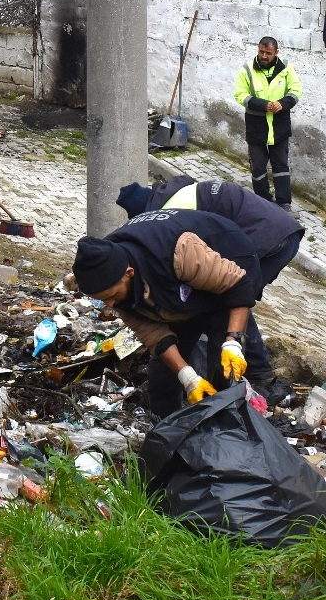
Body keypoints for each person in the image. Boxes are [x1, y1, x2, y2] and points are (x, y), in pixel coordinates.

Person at [116, 176, 304, 404]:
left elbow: (229, 286)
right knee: (229, 299)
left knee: (232, 300)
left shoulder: (170, 213)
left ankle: (252, 380)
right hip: (277, 229)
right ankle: (242, 372)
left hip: (266, 237)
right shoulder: (176, 194)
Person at [70, 210, 262, 418]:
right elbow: (153, 334)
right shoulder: (106, 268)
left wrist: (232, 340)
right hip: (177, 286)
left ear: (129, 273)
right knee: (163, 376)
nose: (108, 304)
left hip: (229, 260)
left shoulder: (178, 251)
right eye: (102, 299)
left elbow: (238, 286)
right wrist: (188, 377)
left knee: (222, 370)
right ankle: (166, 431)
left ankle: (226, 433)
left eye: (111, 296)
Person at [233, 36, 301, 208]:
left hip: (280, 127)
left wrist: (282, 104)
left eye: (268, 53)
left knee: (281, 167)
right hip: (257, 128)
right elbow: (240, 95)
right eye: (261, 52)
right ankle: (263, 202)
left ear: (276, 53)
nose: (264, 56)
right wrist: (264, 105)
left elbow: (296, 90)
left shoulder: (286, 67)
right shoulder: (247, 69)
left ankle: (284, 203)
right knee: (258, 168)